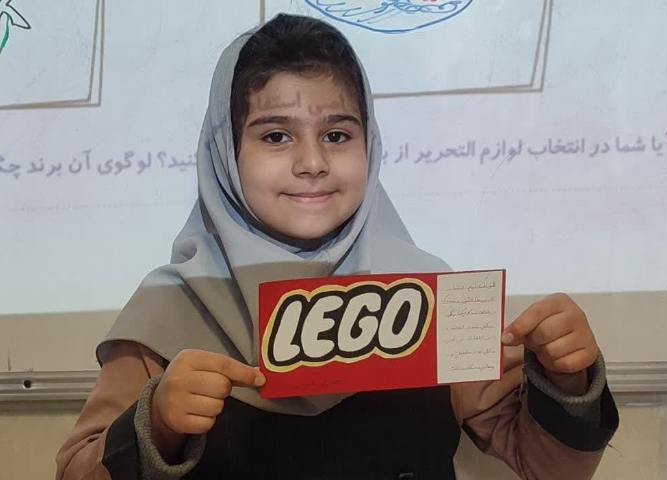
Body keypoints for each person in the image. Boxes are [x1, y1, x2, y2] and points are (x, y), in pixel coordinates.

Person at [56, 14, 618, 480]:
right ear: (226, 153)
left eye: (337, 134)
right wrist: (155, 424)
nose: (312, 162)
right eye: (276, 136)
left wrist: (568, 381)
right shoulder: (172, 307)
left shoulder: (427, 294)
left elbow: (546, 466)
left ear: (370, 144)